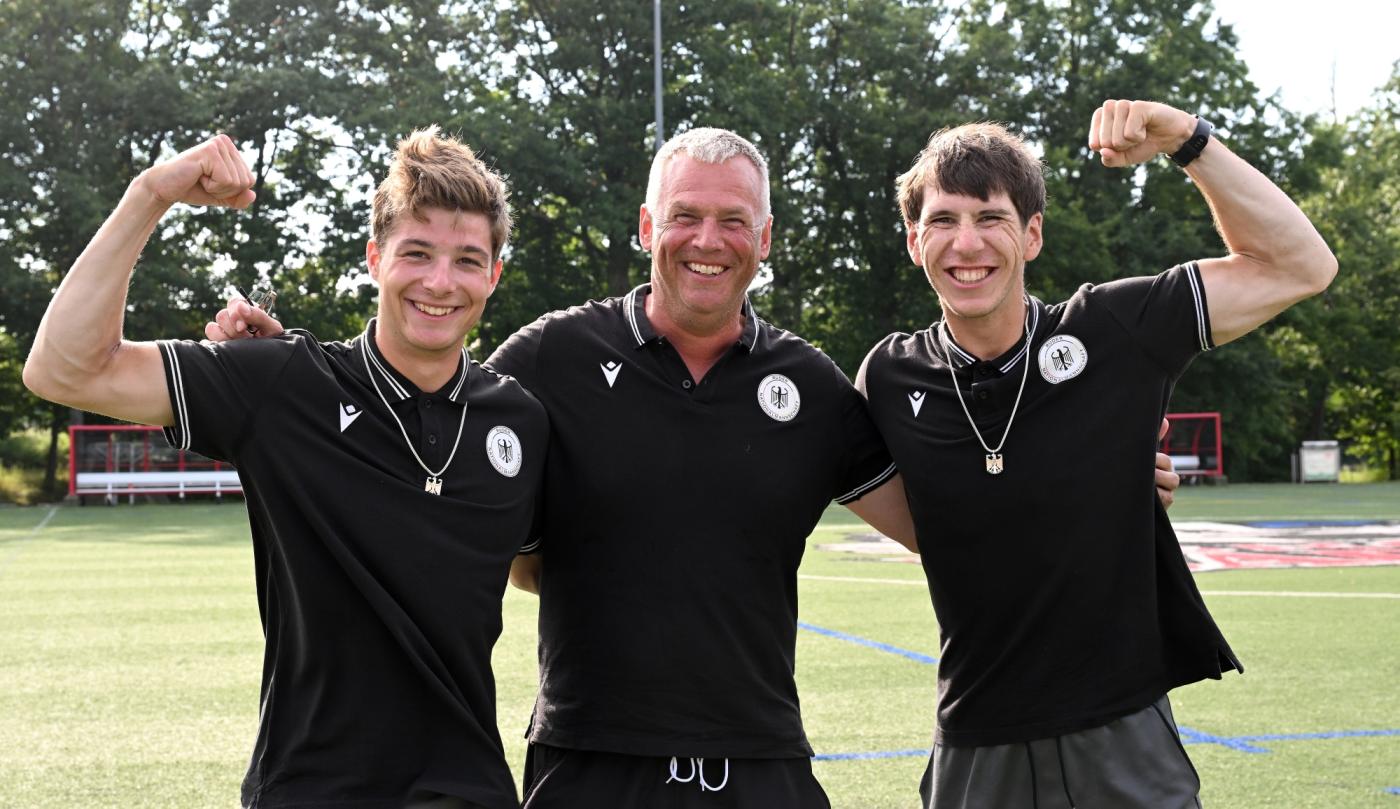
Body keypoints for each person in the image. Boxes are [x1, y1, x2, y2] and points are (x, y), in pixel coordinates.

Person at [211, 127, 1181, 808]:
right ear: (647, 226)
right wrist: (293, 370)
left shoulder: (811, 387)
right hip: (588, 763)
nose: (706, 241)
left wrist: (1089, 471)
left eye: (732, 221)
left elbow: (960, 522)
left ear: (764, 239)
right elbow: (423, 423)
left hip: (760, 763)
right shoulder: (548, 358)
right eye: (685, 216)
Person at [23, 128, 547, 809]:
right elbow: (63, 368)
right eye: (416, 253)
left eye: (467, 260)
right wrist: (151, 193)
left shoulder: (521, 421)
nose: (440, 282)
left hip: (470, 791)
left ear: (493, 275)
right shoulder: (283, 382)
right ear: (375, 258)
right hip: (311, 789)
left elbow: (539, 569)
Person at [856, 100, 1338, 808]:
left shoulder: (1114, 328)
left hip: (1123, 732)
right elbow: (928, 525)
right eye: (944, 220)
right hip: (976, 738)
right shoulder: (889, 377)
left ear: (1032, 234)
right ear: (913, 240)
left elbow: (1301, 266)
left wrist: (1186, 139)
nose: (967, 243)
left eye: (991, 218)